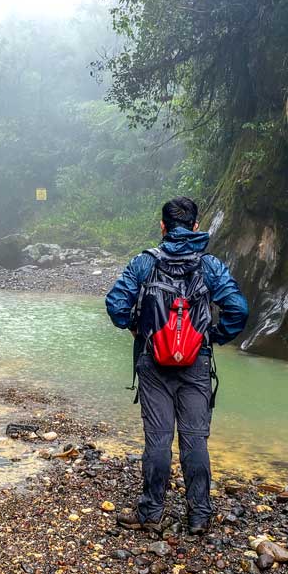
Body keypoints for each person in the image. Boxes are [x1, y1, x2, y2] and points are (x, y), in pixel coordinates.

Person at [105, 197, 249, 535]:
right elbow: (238, 309)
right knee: (195, 439)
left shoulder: (145, 262)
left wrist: (136, 328)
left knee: (158, 439)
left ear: (162, 226)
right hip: (196, 363)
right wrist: (211, 336)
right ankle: (199, 514)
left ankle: (152, 511)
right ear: (196, 227)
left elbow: (115, 304)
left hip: (153, 363)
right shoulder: (209, 265)